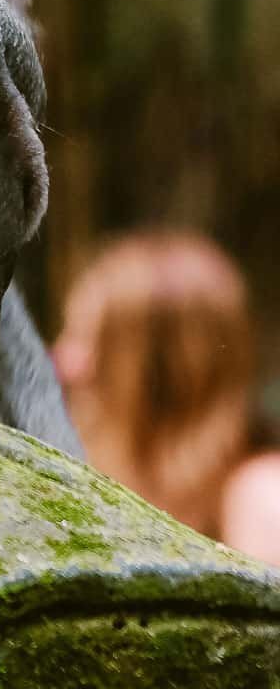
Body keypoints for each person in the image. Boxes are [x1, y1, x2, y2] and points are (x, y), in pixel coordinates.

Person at [55, 231, 280, 566]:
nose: (65, 363)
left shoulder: (260, 497)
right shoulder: (85, 478)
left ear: (166, 372)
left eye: (92, 341)